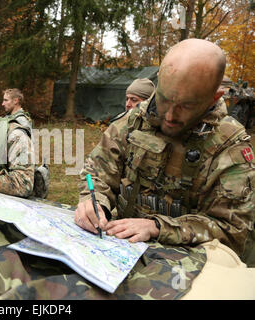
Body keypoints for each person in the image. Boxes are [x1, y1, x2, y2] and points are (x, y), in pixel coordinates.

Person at [75, 38, 254, 263]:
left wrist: (159, 227)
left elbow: (233, 230)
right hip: (118, 253)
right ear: (159, 82)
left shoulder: (229, 146)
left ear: (214, 98)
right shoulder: (135, 120)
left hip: (183, 269)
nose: (169, 116)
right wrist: (94, 201)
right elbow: (97, 170)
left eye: (186, 106)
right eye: (164, 99)